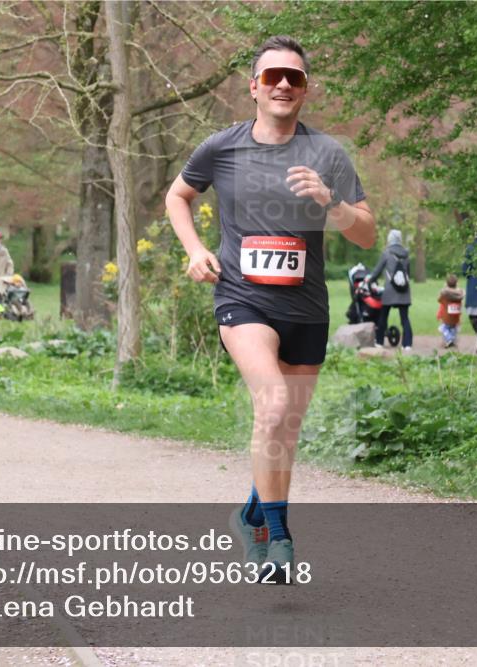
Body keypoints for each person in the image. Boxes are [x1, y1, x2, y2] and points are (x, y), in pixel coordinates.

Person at [164, 36, 376, 582]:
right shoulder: (221, 147)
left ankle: (252, 513)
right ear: (254, 87)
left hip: (306, 307)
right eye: (273, 76)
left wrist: (331, 202)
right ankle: (277, 537)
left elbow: (366, 234)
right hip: (242, 297)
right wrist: (195, 250)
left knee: (285, 429)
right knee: (274, 404)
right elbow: (177, 196)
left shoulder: (327, 154)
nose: (284, 84)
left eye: (295, 77)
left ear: (306, 90)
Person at [366, 228, 413, 350]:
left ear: (390, 239)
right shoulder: (406, 254)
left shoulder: (386, 253)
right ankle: (407, 345)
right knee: (405, 318)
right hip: (404, 291)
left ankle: (379, 342)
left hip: (390, 291)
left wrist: (370, 280)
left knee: (383, 316)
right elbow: (408, 273)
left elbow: (377, 271)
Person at [437, 273, 464, 348]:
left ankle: (449, 340)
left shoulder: (444, 294)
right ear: (456, 283)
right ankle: (452, 341)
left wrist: (444, 289)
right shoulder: (460, 294)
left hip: (446, 315)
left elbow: (439, 300)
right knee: (453, 328)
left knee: (444, 328)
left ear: (447, 283)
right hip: (456, 316)